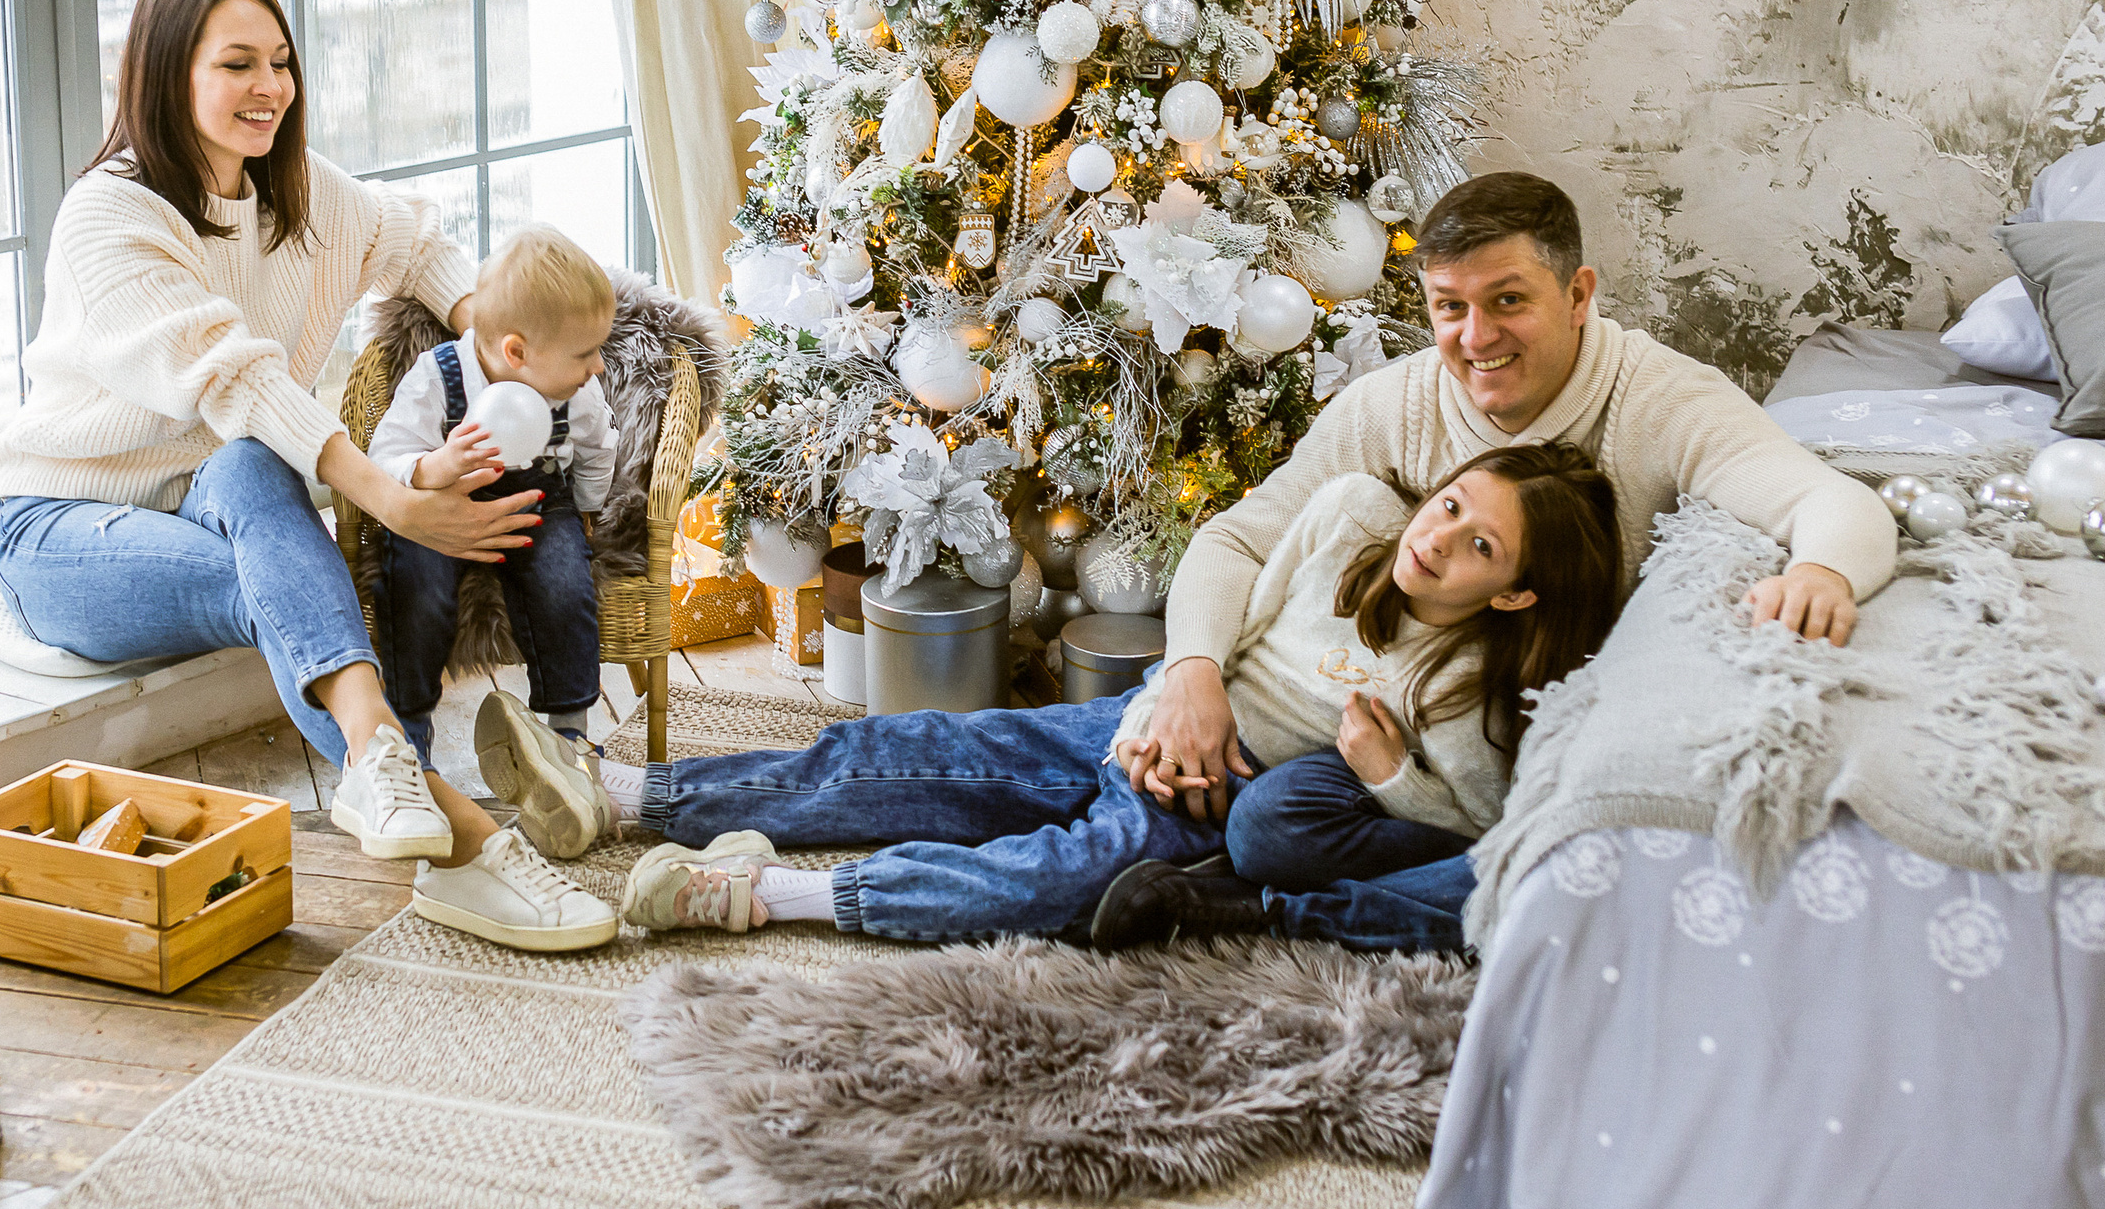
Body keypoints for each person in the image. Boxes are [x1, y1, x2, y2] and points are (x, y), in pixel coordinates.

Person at [1087, 169, 1900, 952]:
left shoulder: (1660, 402)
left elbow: (1832, 503)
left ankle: (1266, 912)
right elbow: (1241, 537)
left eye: (1509, 301)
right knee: (1253, 817)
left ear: (1579, 295)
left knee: (1572, 876)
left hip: (1520, 748)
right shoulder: (1391, 403)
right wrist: (1192, 671)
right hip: (1369, 732)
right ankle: (1274, 883)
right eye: (1450, 308)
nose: (1476, 339)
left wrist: (1822, 571)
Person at [0, 0, 615, 952]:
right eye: (236, 63)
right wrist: (393, 493)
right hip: (62, 534)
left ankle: (384, 776)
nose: (269, 86)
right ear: (166, 76)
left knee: (250, 470)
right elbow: (237, 377)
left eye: (279, 61)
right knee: (276, 556)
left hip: (219, 501)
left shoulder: (301, 197)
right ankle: (467, 843)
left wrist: (505, 359)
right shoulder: (109, 217)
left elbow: (417, 249)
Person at [541, 445, 1622, 945]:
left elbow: (1483, 820)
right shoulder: (1347, 514)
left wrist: (1386, 776)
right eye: (1446, 504)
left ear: (1515, 587)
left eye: (1476, 542)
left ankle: (769, 896)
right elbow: (1227, 606)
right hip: (1151, 717)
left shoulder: (1473, 680)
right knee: (927, 752)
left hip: (1200, 806)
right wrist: (1168, 695)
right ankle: (634, 796)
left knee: (1046, 877)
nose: (1435, 538)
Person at [364, 227, 621, 860]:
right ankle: (409, 732)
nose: (599, 367)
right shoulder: (439, 377)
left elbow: (597, 451)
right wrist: (433, 467)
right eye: (586, 353)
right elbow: (385, 454)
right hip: (442, 505)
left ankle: (566, 736)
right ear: (516, 352)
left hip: (538, 501)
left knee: (564, 584)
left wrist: (586, 512)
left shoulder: (577, 393)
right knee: (415, 586)